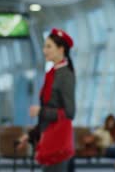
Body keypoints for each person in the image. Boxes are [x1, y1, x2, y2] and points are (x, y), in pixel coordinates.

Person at [17, 28, 76, 172]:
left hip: (58, 144)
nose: (44, 50)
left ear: (61, 49)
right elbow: (49, 115)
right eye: (44, 46)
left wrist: (40, 111)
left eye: (49, 46)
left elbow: (70, 112)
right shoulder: (52, 73)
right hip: (50, 140)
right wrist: (31, 135)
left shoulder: (65, 75)